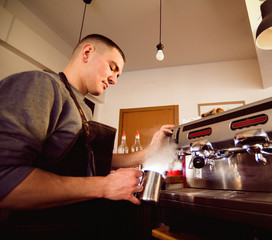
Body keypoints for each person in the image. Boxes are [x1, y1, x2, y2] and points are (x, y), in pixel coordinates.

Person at [0, 34, 174, 238]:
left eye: (118, 75)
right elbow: (5, 179)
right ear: (87, 52)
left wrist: (151, 151)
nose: (114, 80)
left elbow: (89, 159)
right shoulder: (42, 85)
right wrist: (104, 186)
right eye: (112, 67)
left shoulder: (83, 108)